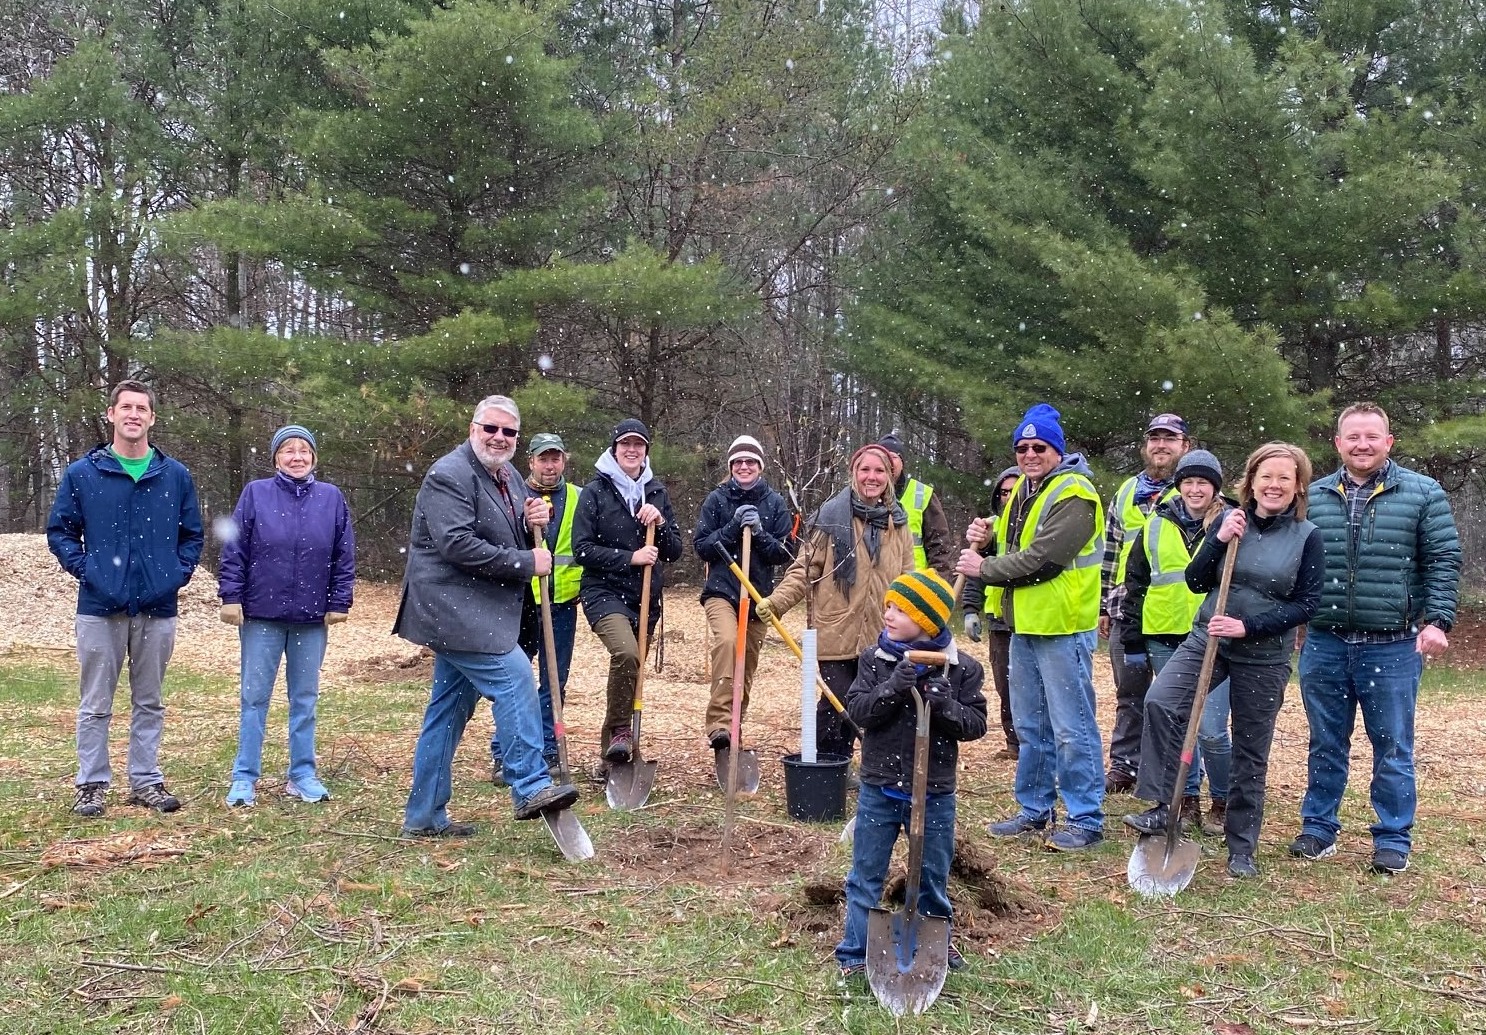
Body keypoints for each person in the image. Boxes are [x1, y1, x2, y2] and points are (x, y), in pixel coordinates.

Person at [1124, 442, 1323, 879]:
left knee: (1251, 749)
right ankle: (1163, 807)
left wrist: (1248, 627)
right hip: (1207, 639)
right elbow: (1196, 582)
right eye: (1264, 476)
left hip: (1264, 655)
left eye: (1283, 478)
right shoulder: (1228, 521)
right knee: (1161, 701)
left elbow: (1308, 605)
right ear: (1250, 482)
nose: (1273, 485)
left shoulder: (1307, 537)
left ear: (1298, 487)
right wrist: (1217, 539)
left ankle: (1241, 847)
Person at [395, 396, 579, 837]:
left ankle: (423, 818)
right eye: (490, 428)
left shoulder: (510, 476)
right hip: (451, 608)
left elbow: (509, 529)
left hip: (479, 610)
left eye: (508, 432)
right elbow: (456, 544)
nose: (499, 437)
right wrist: (525, 563)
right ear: (472, 427)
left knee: (448, 711)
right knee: (515, 677)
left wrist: (533, 514)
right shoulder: (449, 474)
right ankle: (530, 783)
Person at [1290, 403, 1460, 875]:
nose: (1361, 444)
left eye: (1371, 436)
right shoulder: (1314, 495)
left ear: (1389, 441)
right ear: (1338, 443)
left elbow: (1444, 559)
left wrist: (1438, 620)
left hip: (1392, 645)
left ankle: (1392, 837)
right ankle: (1319, 828)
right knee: (1325, 741)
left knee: (1392, 745)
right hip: (1324, 642)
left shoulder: (1422, 493)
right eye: (1352, 437)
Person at [47, 379, 204, 817]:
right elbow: (60, 531)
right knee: (96, 702)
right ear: (112, 414)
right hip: (100, 607)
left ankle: (146, 781)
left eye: (142, 409)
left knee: (149, 701)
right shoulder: (84, 474)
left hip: (157, 606)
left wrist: (175, 575)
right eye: (126, 407)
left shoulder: (174, 476)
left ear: (152, 418)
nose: (134, 415)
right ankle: (92, 784)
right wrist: (90, 572)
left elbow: (192, 536)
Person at [955, 403, 1107, 851]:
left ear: (1056, 450)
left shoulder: (1075, 493)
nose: (1029, 454)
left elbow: (1043, 560)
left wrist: (983, 566)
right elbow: (1012, 542)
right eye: (1022, 447)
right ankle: (1035, 809)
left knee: (1071, 726)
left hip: (1062, 626)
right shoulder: (1025, 488)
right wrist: (988, 534)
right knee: (1030, 725)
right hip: (1022, 624)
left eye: (1039, 446)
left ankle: (1085, 817)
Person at [835, 569, 987, 981]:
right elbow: (859, 712)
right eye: (888, 605)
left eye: (901, 609)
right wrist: (892, 688)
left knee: (931, 875)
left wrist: (947, 707)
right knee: (866, 873)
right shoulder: (875, 661)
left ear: (928, 620)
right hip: (880, 787)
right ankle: (854, 951)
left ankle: (935, 943)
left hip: (934, 792)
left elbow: (976, 725)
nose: (889, 614)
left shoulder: (962, 670)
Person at [218, 425, 355, 808]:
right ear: (276, 457)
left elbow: (343, 555)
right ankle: (244, 777)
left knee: (305, 699)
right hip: (261, 615)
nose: (297, 457)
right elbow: (234, 549)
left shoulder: (331, 498)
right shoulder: (256, 494)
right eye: (288, 450)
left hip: (311, 618)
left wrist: (339, 601)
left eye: (304, 450)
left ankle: (302, 774)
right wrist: (231, 596)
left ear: (314, 457)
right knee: (254, 698)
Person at [757, 444, 914, 760]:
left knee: (868, 701)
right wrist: (777, 602)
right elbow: (806, 568)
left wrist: (918, 619)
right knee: (837, 699)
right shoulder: (832, 517)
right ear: (854, 473)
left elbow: (908, 579)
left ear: (890, 476)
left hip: (880, 632)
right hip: (835, 627)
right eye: (865, 470)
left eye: (879, 470)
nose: (872, 477)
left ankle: (848, 765)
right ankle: (822, 764)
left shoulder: (898, 523)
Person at [1119, 449, 1231, 835]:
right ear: (1179, 484)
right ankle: (1185, 799)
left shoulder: (1232, 524)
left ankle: (1224, 799)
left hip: (1212, 638)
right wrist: (1133, 638)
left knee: (1212, 728)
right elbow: (1136, 583)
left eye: (1203, 482)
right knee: (1175, 721)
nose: (1195, 489)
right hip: (1165, 635)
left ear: (1215, 487)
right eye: (1188, 481)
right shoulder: (1156, 523)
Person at [572, 418, 685, 769]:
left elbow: (674, 551)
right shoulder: (596, 492)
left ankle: (614, 756)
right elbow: (582, 549)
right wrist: (630, 558)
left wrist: (660, 525)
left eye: (638, 444)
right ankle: (621, 732)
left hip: (644, 598)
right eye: (625, 444)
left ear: (646, 451)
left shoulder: (657, 492)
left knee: (631, 672)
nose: (632, 450)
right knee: (627, 655)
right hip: (603, 591)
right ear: (614, 449)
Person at [1100, 414, 1191, 794]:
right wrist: (1105, 606)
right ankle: (1124, 766)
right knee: (1130, 693)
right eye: (1154, 438)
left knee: (1174, 699)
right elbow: (1110, 551)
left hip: (1176, 613)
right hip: (1128, 611)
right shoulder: (1126, 492)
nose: (1161, 445)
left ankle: (1174, 774)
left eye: (1170, 439)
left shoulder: (1195, 489)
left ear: (1185, 446)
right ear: (1145, 445)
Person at [489, 432, 582, 784]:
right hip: (519, 603)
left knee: (554, 681)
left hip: (561, 605)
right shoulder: (512, 494)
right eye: (543, 458)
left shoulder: (577, 498)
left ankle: (547, 750)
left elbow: (584, 548)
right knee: (514, 680)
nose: (549, 465)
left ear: (564, 461)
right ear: (530, 461)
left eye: (555, 458)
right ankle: (505, 753)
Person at [692, 434, 794, 751]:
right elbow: (702, 547)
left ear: (760, 467)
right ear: (731, 466)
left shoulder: (775, 503)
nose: (744, 466)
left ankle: (735, 725)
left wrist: (760, 533)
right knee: (727, 643)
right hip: (722, 590)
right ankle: (719, 724)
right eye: (739, 462)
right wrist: (733, 527)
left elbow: (783, 553)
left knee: (746, 663)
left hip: (758, 596)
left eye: (751, 461)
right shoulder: (717, 499)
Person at [961, 466, 1021, 759]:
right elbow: (976, 572)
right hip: (998, 619)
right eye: (1004, 492)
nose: (1008, 496)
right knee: (1004, 684)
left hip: (1026, 618)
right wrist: (970, 609)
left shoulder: (1034, 524)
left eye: (1014, 490)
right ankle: (1014, 743)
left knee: (1031, 687)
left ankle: (1033, 742)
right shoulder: (990, 527)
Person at [878, 433, 953, 580]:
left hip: (914, 587)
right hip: (876, 586)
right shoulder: (865, 496)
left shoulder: (923, 494)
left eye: (893, 457)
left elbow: (940, 548)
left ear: (902, 462)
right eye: (883, 458)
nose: (888, 463)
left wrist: (937, 584)